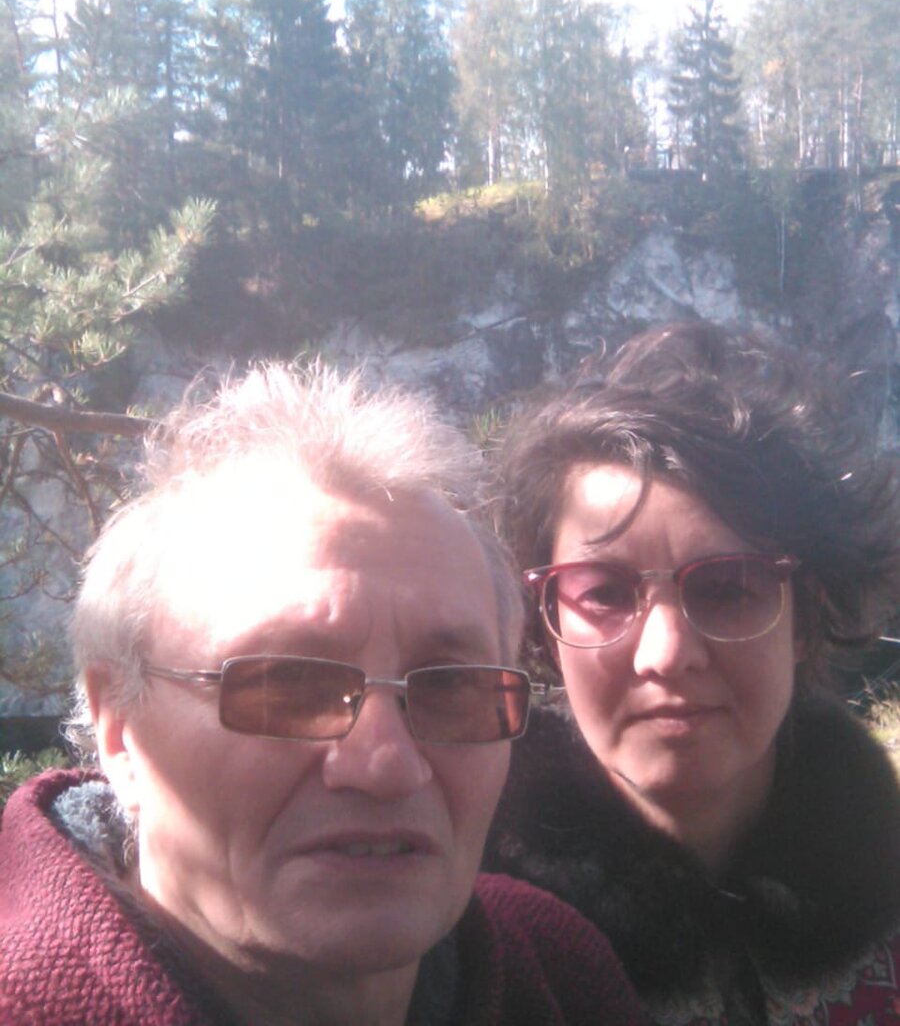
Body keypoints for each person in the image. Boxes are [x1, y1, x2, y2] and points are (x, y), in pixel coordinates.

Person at [0, 364, 645, 1026]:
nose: (387, 766)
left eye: (451, 685)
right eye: (288, 685)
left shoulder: (556, 969)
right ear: (119, 730)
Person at [486, 320, 900, 1026]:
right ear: (546, 629)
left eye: (728, 587)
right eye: (602, 592)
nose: (666, 652)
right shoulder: (465, 947)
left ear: (803, 619)